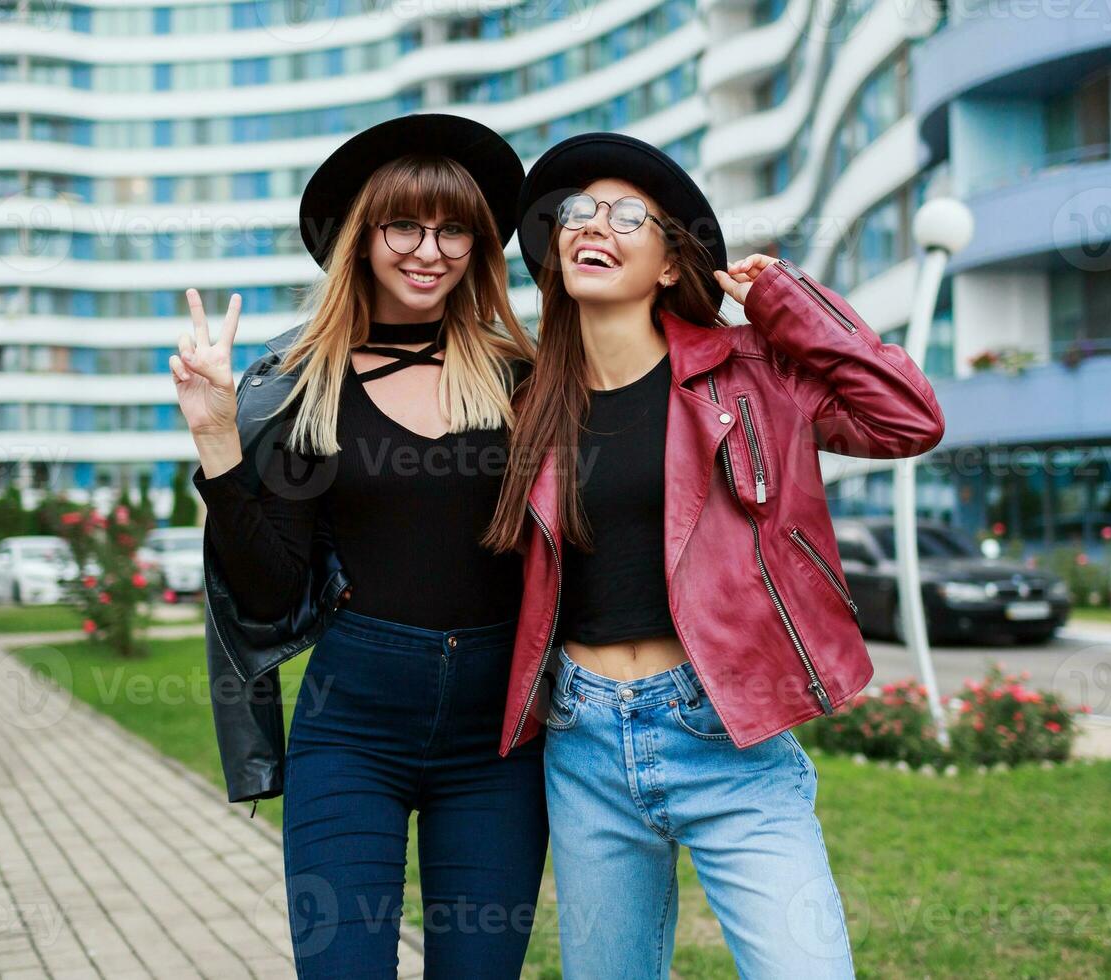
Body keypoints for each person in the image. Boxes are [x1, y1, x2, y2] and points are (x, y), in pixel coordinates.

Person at [482, 132, 946, 978]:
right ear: (554, 250)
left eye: (629, 215)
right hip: (582, 742)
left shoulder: (753, 374)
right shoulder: (527, 405)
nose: (596, 224)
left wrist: (786, 303)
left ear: (669, 262)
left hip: (725, 730)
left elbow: (905, 418)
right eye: (578, 212)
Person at [171, 113, 545, 978]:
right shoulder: (312, 390)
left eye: (454, 228)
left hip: (497, 739)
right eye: (404, 225)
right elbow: (269, 593)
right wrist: (219, 440)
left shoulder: (522, 379)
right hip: (353, 728)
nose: (430, 249)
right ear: (363, 240)